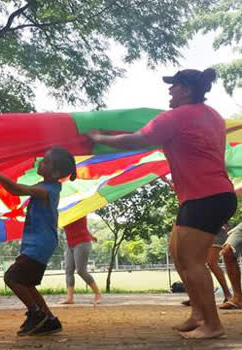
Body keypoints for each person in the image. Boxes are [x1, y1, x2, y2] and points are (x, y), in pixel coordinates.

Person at [88, 68, 236, 339]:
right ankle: (198, 314)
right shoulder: (212, 115)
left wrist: (100, 138)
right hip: (209, 195)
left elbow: (139, 139)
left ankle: (213, 325)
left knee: (192, 261)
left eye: (174, 86)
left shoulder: (177, 116)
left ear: (187, 90)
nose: (169, 91)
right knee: (179, 254)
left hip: (205, 196)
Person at [0, 146, 77, 336]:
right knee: (26, 282)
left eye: (46, 161)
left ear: (55, 172)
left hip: (39, 244)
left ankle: (36, 313)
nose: (41, 162)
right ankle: (49, 320)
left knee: (12, 277)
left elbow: (15, 190)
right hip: (40, 243)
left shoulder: (47, 189)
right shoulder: (48, 186)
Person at [181, 225, 231, 307]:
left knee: (211, 262)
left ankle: (228, 295)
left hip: (215, 230)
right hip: (200, 232)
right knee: (195, 263)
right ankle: (197, 297)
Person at [61, 216, 102, 305]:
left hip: (82, 242)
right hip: (70, 244)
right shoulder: (64, 213)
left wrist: (90, 237)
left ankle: (98, 294)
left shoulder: (80, 211)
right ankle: (70, 298)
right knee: (69, 270)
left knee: (81, 271)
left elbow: (82, 226)